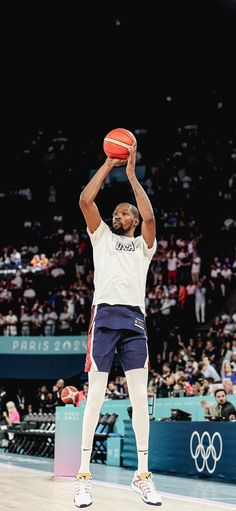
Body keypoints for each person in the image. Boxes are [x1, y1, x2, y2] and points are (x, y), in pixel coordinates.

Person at [74, 142, 162, 507]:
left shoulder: (145, 243)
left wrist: (130, 176)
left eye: (123, 212)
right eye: (115, 212)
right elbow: (85, 200)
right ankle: (83, 476)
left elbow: (152, 218)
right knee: (95, 396)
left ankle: (142, 475)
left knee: (140, 398)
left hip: (135, 320)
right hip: (106, 316)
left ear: (134, 220)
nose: (117, 215)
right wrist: (108, 167)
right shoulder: (102, 238)